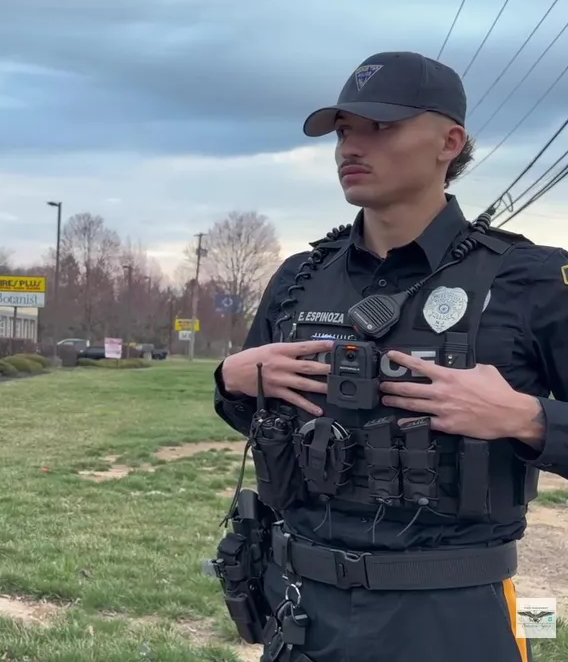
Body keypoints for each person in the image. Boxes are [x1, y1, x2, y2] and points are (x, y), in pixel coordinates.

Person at [207, 51, 568, 662]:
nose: (352, 147)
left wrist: (524, 419)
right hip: (304, 611)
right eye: (344, 131)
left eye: (381, 127)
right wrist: (231, 381)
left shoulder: (529, 279)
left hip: (450, 617)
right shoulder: (300, 278)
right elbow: (265, 424)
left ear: (449, 142)